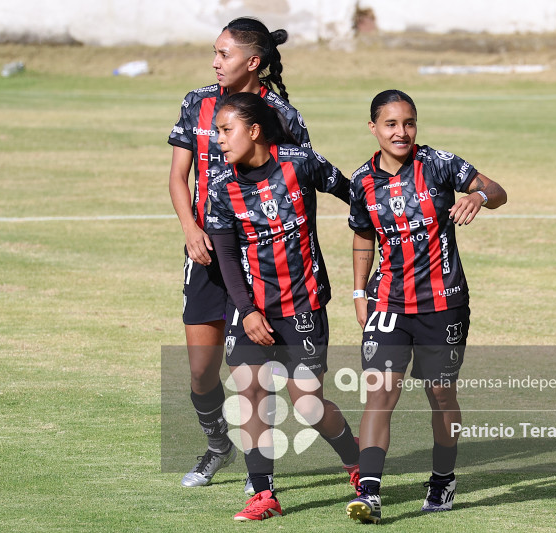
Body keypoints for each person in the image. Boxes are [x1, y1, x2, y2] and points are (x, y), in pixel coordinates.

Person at [345, 89, 507, 524]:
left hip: (444, 304)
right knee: (381, 392)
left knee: (440, 394)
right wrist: (359, 293)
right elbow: (364, 237)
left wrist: (479, 197)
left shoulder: (439, 164)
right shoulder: (361, 182)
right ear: (373, 127)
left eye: (409, 123)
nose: (401, 132)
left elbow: (498, 190)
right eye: (391, 124)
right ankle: (370, 492)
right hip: (388, 302)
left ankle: (443, 479)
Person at [167, 17, 311, 489]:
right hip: (206, 254)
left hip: (258, 262)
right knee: (201, 371)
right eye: (214, 52)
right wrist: (191, 228)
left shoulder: (280, 115)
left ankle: (259, 471)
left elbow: (300, 182)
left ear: (253, 61)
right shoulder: (197, 102)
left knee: (250, 374)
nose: (215, 61)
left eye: (223, 54)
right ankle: (217, 445)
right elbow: (177, 177)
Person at [205, 92, 361, 521]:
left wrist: (388, 233)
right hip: (250, 308)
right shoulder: (221, 187)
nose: (218, 139)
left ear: (254, 131)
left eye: (226, 130)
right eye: (217, 131)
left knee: (308, 405)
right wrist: (248, 311)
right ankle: (263, 494)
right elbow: (226, 257)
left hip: (303, 307)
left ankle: (356, 463)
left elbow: (355, 196)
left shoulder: (299, 161)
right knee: (252, 395)